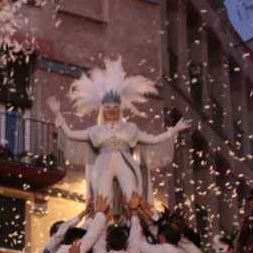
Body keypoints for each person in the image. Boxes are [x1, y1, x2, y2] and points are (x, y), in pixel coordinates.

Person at [51, 58, 191, 201]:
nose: (111, 110)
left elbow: (153, 140)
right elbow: (70, 134)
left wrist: (174, 130)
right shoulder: (95, 131)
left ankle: (134, 218)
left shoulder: (130, 129)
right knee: (103, 201)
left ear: (120, 109)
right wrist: (58, 114)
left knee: (132, 199)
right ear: (103, 110)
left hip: (126, 164)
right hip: (103, 166)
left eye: (115, 107)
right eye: (108, 107)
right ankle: (101, 216)